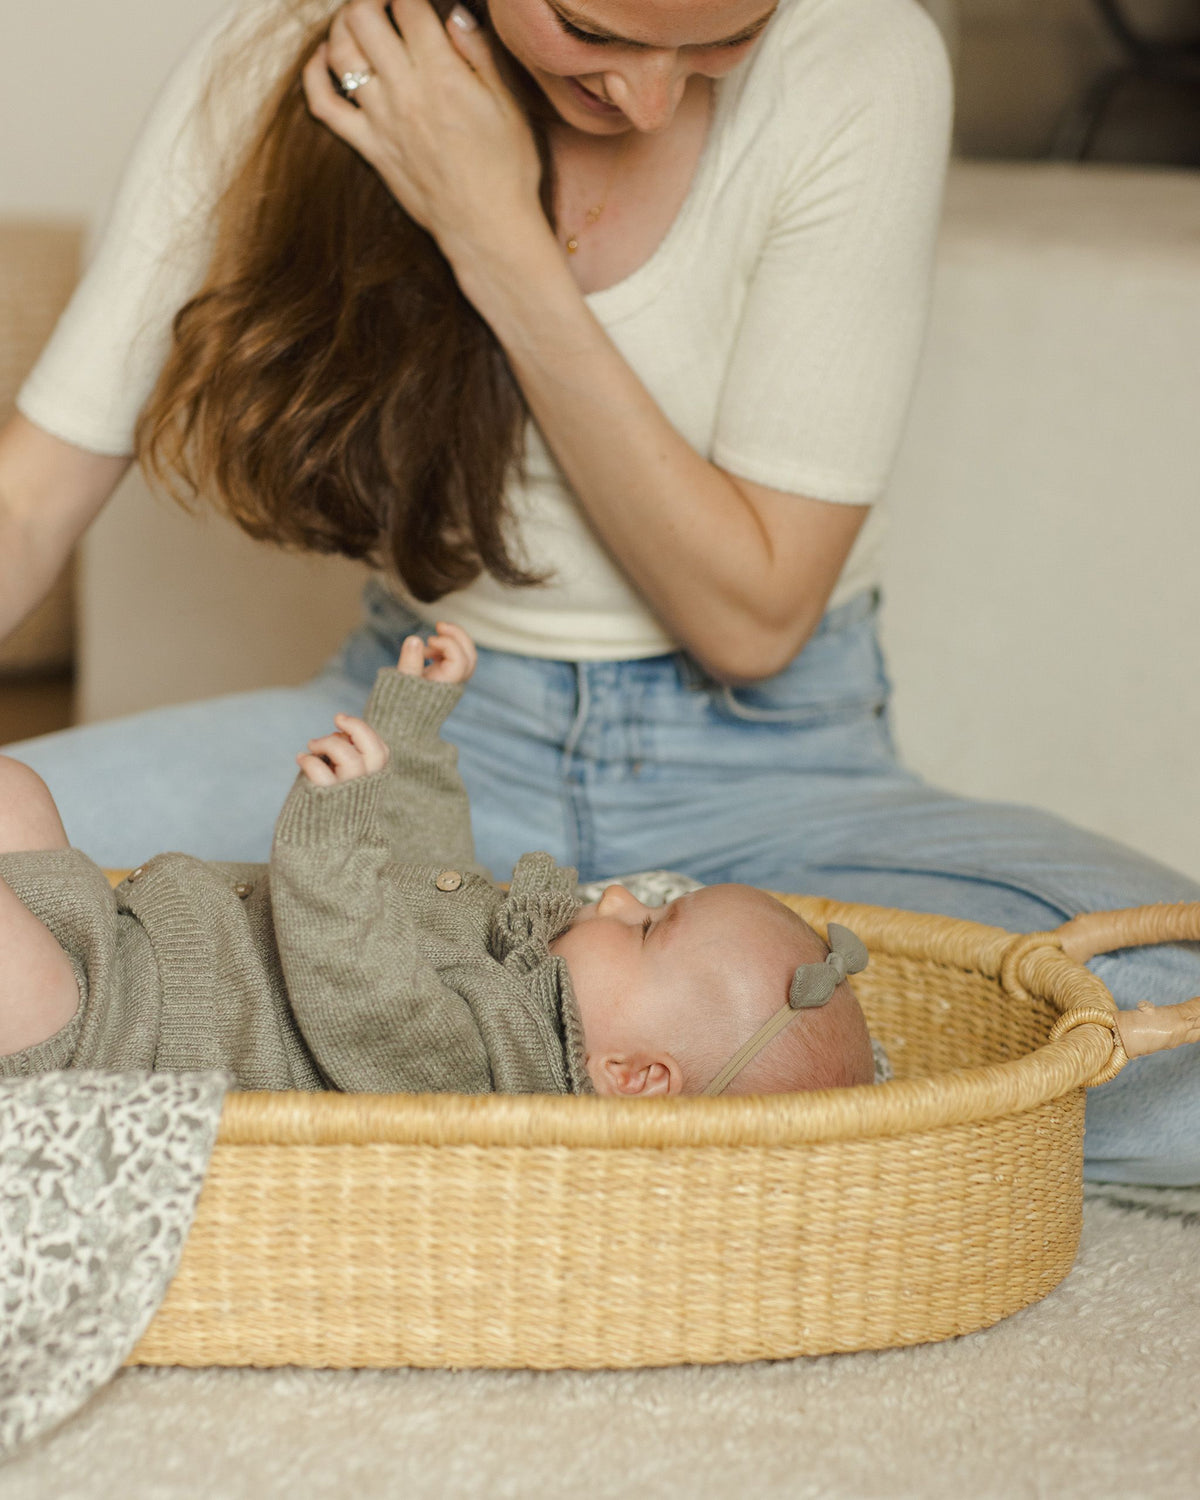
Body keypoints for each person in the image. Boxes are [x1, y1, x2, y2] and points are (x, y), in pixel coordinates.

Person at [0, 0, 1196, 1180]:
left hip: (765, 775)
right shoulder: (303, 61)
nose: (650, 97)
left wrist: (488, 227)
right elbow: (31, 500)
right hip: (428, 752)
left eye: (722, 41)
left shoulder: (861, 58)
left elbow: (753, 620)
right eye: (598, 31)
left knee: (1171, 1012)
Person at [0, 622, 876, 1098]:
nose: (615, 899)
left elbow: (366, 991)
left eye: (645, 930)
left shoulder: (487, 1078)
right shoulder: (515, 963)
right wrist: (413, 732)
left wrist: (330, 835)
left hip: (105, 1040)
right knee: (17, 790)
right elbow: (422, 874)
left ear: (633, 1075)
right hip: (121, 947)